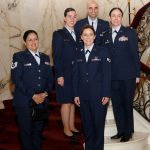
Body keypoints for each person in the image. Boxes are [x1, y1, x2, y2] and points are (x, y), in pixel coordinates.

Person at [103, 8, 140, 142]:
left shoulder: (129, 32)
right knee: (117, 104)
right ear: (110, 18)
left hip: (128, 75)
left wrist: (137, 74)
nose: (116, 18)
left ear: (122, 18)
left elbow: (135, 54)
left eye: (119, 16)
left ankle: (128, 131)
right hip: (112, 77)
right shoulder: (105, 35)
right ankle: (120, 131)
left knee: (126, 104)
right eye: (114, 16)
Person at [11, 30, 53, 150]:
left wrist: (45, 93)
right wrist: (33, 95)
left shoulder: (45, 57)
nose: (33, 42)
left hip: (41, 103)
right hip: (25, 103)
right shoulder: (18, 57)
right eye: (30, 39)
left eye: (35, 39)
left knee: (37, 133)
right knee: (26, 134)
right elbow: (16, 79)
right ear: (25, 42)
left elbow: (50, 79)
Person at [73, 25, 111, 150]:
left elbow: (107, 74)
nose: (88, 37)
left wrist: (106, 93)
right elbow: (76, 76)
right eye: (85, 34)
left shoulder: (103, 51)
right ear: (81, 37)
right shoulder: (77, 53)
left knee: (98, 127)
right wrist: (76, 94)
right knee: (87, 127)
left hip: (99, 96)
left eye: (90, 34)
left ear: (94, 36)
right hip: (83, 97)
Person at [52, 8, 80, 138]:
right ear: (64, 18)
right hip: (64, 74)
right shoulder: (59, 34)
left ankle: (72, 125)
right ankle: (66, 128)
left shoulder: (78, 33)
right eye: (69, 16)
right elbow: (56, 56)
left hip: (75, 74)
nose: (72, 19)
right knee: (66, 102)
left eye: (74, 16)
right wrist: (59, 75)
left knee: (73, 101)